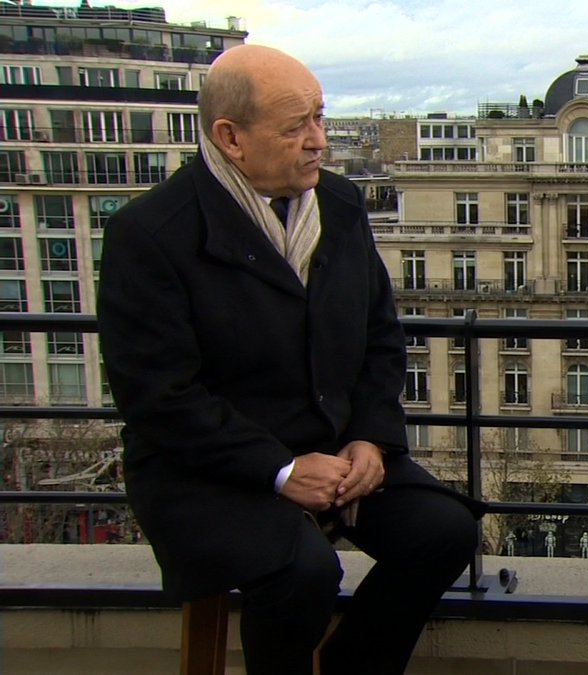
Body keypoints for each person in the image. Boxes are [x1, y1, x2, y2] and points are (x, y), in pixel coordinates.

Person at [97, 44, 481, 675]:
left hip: (333, 446)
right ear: (230, 138)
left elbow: (381, 336)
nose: (319, 141)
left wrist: (372, 437)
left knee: (445, 532)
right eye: (296, 126)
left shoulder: (341, 205)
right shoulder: (150, 234)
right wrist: (281, 470)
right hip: (210, 471)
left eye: (320, 118)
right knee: (303, 572)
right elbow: (160, 399)